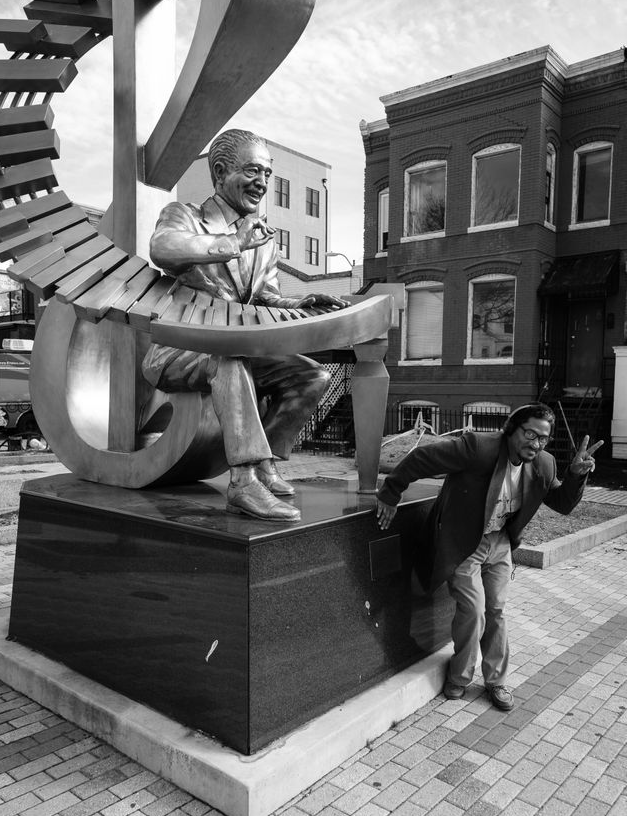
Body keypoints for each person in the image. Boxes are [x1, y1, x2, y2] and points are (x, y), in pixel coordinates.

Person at [142, 129, 347, 522]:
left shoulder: (262, 238)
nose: (263, 183)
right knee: (229, 359)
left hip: (237, 346)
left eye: (267, 175)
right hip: (179, 349)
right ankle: (242, 482)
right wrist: (232, 241)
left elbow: (265, 297)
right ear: (220, 172)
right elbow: (162, 248)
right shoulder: (186, 216)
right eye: (253, 171)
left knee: (311, 376)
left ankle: (266, 464)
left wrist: (299, 301)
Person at [375, 404, 602, 711]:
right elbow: (421, 458)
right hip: (464, 542)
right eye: (529, 434)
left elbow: (562, 503)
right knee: (474, 608)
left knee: (496, 610)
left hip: (500, 542)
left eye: (543, 439)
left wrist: (575, 476)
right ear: (512, 429)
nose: (535, 444)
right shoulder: (478, 448)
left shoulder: (544, 465)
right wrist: (390, 494)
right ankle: (460, 676)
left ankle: (496, 681)